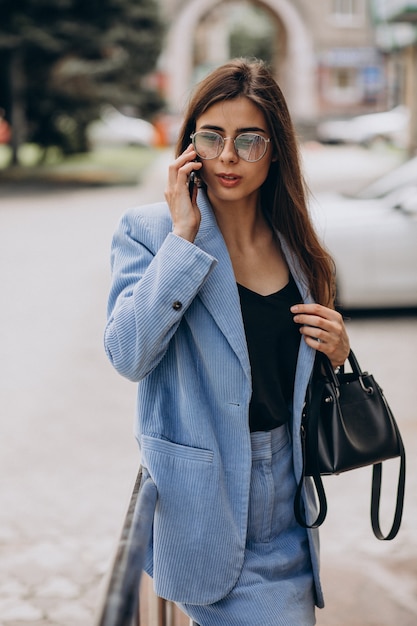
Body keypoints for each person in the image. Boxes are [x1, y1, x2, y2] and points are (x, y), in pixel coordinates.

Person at [104, 58, 350, 625]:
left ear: (277, 148)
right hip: (203, 508)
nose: (227, 157)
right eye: (211, 137)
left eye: (249, 140)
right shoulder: (149, 233)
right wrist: (183, 240)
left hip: (287, 509)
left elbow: (287, 377)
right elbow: (127, 355)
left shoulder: (298, 246)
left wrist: (335, 351)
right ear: (189, 143)